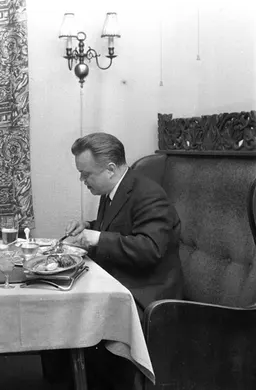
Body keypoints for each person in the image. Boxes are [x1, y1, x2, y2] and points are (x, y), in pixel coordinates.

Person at [46, 132, 183, 390]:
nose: (82, 180)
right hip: (124, 279)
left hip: (147, 292)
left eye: (86, 174)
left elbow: (150, 248)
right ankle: (68, 379)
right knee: (59, 304)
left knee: (70, 311)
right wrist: (88, 226)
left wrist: (96, 237)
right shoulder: (113, 190)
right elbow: (119, 227)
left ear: (110, 169)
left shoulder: (149, 194)